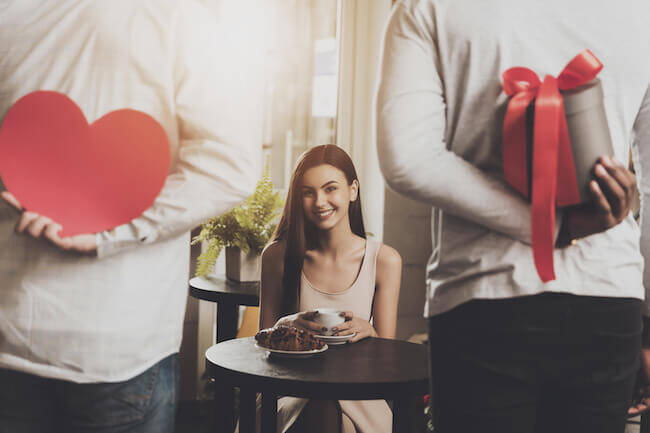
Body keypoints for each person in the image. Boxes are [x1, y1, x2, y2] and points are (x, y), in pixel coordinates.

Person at [375, 1, 650, 432]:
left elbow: (407, 160)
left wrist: (550, 228)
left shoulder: (425, 7)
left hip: (480, 297)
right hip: (607, 299)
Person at [0, 1, 262, 432]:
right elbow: (230, 168)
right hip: (96, 349)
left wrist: (112, 228)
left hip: (107, 358)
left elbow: (228, 168)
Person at [254, 144, 402, 433]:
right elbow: (261, 346)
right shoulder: (277, 256)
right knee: (320, 408)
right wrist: (289, 324)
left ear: (353, 190)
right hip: (289, 388)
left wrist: (370, 332)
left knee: (330, 410)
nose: (319, 201)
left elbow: (388, 361)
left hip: (358, 391)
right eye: (308, 192)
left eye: (330, 188)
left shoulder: (384, 260)